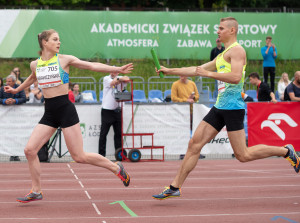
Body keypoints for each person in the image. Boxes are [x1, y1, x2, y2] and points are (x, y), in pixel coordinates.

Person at [152, 17, 299, 200]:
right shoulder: (222, 55)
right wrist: (170, 71)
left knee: (243, 155)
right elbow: (197, 69)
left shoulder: (237, 51)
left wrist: (209, 74)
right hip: (220, 106)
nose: (218, 31)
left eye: (221, 28)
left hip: (233, 108)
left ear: (232, 31)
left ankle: (286, 151)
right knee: (194, 144)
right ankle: (175, 186)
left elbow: (236, 77)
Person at [4, 29, 133, 203]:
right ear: (45, 42)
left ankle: (116, 167)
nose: (59, 42)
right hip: (49, 112)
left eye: (59, 39)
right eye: (55, 39)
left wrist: (115, 68)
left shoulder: (64, 59)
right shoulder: (35, 64)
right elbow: (32, 78)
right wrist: (17, 89)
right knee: (29, 150)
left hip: (65, 109)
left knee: (79, 156)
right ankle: (36, 190)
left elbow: (91, 66)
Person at [99, 72, 129, 157]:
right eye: (112, 70)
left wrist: (120, 78)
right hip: (107, 110)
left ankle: (119, 154)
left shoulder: (119, 77)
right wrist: (119, 80)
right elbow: (112, 83)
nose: (114, 72)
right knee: (103, 133)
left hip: (118, 110)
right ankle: (101, 154)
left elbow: (127, 78)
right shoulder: (106, 78)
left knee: (118, 133)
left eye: (116, 71)